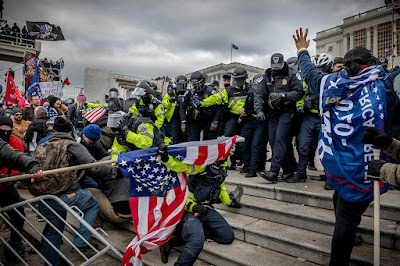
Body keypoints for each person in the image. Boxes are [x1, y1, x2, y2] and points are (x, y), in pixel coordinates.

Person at [293, 27, 400, 266]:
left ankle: (347, 235)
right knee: (347, 218)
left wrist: (302, 50)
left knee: (344, 210)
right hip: (368, 167)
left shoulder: (329, 83)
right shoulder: (384, 87)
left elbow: (310, 73)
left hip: (339, 165)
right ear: (370, 64)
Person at [32, 117, 110, 266]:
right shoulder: (73, 145)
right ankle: (80, 242)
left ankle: (50, 262)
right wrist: (112, 170)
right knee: (93, 203)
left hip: (44, 194)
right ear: (70, 131)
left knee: (55, 230)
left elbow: (30, 163)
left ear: (53, 129)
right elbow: (93, 167)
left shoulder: (43, 143)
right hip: (65, 193)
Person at [156, 144, 240, 265]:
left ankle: (186, 235)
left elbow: (220, 187)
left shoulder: (222, 167)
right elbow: (181, 166)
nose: (226, 154)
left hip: (206, 209)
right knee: (196, 241)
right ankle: (175, 248)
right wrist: (166, 159)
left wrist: (229, 202)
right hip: (190, 208)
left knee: (227, 237)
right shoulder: (203, 165)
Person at [0, 116, 43, 263]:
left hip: (7, 186)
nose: (5, 135)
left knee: (18, 214)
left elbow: (15, 158)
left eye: (8, 131)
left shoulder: (15, 144)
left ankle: (15, 244)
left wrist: (31, 167)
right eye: (1, 131)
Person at [257, 53, 304, 183]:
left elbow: (299, 93)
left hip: (287, 112)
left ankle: (273, 172)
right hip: (273, 113)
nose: (276, 69)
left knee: (280, 140)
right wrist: (259, 110)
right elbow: (258, 94)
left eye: (278, 66)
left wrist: (283, 96)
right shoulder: (266, 75)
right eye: (274, 67)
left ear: (283, 63)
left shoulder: (293, 74)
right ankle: (288, 170)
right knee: (274, 141)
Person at [199, 68, 252, 171]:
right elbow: (215, 98)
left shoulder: (250, 89)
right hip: (233, 117)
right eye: (236, 80)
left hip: (247, 118)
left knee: (246, 142)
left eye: (240, 79)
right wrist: (201, 103)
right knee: (228, 138)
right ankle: (226, 162)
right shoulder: (228, 90)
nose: (237, 82)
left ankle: (247, 164)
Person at [238, 74, 268, 177]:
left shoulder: (266, 92)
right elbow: (246, 105)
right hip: (250, 120)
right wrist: (244, 110)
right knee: (242, 142)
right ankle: (247, 164)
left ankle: (253, 169)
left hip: (261, 122)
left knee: (256, 145)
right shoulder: (250, 92)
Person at [180, 71, 222, 141]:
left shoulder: (211, 92)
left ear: (202, 82)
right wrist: (183, 121)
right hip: (194, 120)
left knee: (209, 141)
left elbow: (219, 107)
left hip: (209, 120)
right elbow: (182, 106)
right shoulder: (189, 92)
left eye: (197, 84)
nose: (195, 86)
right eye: (193, 84)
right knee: (192, 140)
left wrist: (215, 120)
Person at [161, 76, 188, 144]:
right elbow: (164, 104)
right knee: (173, 137)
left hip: (186, 118)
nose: (181, 87)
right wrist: (170, 101)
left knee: (184, 137)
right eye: (179, 85)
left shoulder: (188, 93)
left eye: (183, 85)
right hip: (174, 118)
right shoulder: (172, 93)